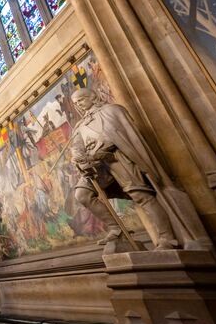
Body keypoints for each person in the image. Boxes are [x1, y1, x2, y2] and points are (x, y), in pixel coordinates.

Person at [69, 88, 202, 250]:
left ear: (92, 97)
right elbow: (76, 146)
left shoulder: (112, 110)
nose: (79, 105)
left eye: (81, 100)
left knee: (142, 196)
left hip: (116, 159)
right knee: (82, 194)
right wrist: (80, 160)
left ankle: (168, 239)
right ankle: (116, 228)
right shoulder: (80, 125)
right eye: (76, 103)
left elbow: (120, 134)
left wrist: (100, 149)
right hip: (95, 166)